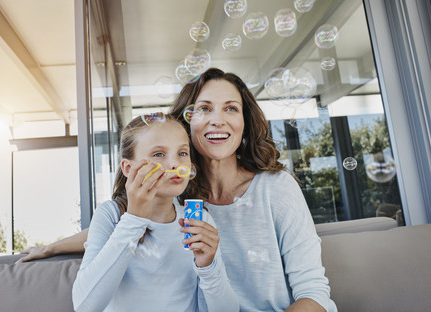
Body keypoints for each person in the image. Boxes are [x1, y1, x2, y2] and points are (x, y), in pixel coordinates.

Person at [20, 68, 337, 312]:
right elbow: (125, 222)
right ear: (185, 125)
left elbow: (314, 293)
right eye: (204, 109)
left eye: (231, 109)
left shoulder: (275, 188)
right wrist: (53, 247)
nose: (217, 120)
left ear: (244, 123)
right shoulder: (180, 197)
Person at [71, 115, 238, 312]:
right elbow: (84, 306)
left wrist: (208, 267)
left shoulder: (196, 218)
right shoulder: (111, 215)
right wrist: (134, 218)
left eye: (182, 153)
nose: (176, 164)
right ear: (128, 167)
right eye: (159, 154)